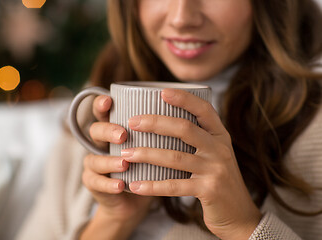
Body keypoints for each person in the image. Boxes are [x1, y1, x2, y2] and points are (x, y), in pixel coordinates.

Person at [17, 0, 322, 239]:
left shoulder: (313, 128)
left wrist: (243, 226)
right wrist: (111, 223)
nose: (181, 18)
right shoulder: (97, 103)